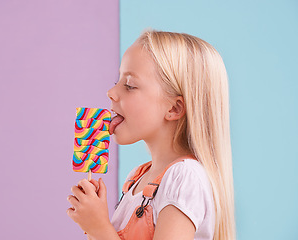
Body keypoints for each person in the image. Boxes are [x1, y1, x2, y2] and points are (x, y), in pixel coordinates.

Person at [67, 29, 236, 240]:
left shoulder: (185, 178)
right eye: (117, 81)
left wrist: (99, 228)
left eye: (129, 85)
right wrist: (92, 222)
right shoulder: (136, 178)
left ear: (174, 109)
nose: (111, 93)